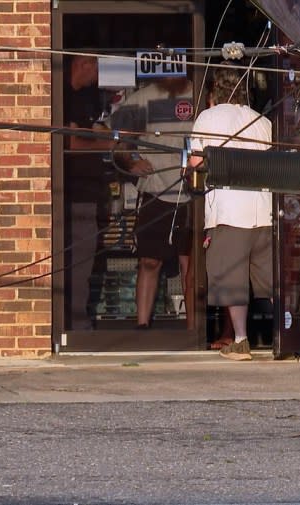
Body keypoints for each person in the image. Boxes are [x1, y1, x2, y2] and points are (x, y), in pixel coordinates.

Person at [188, 65, 273, 361]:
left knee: (233, 277)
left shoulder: (208, 118)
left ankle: (240, 340)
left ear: (214, 95)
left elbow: (196, 163)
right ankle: (286, 333)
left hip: (228, 210)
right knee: (269, 277)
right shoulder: (262, 120)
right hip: (263, 211)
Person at [112, 77, 195, 329]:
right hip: (155, 190)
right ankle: (142, 326)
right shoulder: (141, 98)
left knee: (190, 266)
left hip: (193, 193)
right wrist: (130, 163)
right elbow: (118, 141)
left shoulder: (201, 91)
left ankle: (193, 329)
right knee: (149, 261)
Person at [64, 55, 112, 331]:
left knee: (83, 260)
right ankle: (76, 325)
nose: (97, 72)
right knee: (80, 261)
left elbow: (87, 133)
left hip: (86, 192)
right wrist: (109, 146)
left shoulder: (84, 98)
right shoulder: (69, 97)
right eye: (95, 64)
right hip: (75, 193)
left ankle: (75, 321)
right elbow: (73, 143)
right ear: (82, 64)